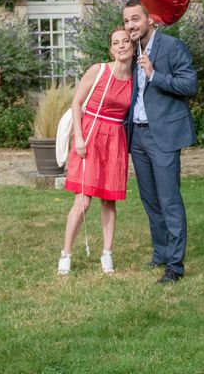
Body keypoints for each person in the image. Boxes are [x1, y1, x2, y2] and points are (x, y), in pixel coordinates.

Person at [123, 0, 197, 283]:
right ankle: (161, 254)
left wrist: (155, 74)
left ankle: (175, 267)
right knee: (150, 200)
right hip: (138, 136)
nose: (130, 25)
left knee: (169, 201)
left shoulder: (171, 46)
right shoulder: (132, 51)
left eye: (135, 19)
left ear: (151, 19)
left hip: (162, 134)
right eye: (126, 20)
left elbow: (189, 84)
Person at [58, 27, 134, 275]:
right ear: (111, 50)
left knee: (109, 200)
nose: (121, 45)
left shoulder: (136, 78)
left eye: (125, 41)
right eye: (116, 43)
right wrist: (78, 137)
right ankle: (66, 254)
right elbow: (77, 102)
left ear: (132, 47)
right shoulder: (99, 70)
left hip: (115, 139)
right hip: (90, 136)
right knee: (83, 200)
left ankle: (107, 255)